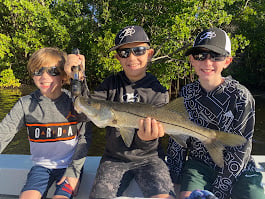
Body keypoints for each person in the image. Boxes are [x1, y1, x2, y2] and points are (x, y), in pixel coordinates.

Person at [65, 25, 175, 199]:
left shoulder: (159, 91)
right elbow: (83, 111)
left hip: (150, 159)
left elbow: (151, 143)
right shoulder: (110, 84)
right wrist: (78, 77)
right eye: (124, 53)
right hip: (113, 159)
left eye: (138, 51)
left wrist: (146, 139)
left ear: (150, 53)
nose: (131, 57)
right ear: (118, 57)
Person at [166, 27, 265, 199]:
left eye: (216, 56)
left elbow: (241, 150)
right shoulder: (186, 93)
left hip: (239, 169)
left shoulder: (241, 96)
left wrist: (219, 190)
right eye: (200, 56)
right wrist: (174, 179)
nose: (207, 62)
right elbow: (177, 141)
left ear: (227, 61)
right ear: (192, 60)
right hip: (198, 166)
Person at [0, 47, 91, 199]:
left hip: (69, 166)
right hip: (41, 167)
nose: (44, 76)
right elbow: (4, 132)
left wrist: (74, 171)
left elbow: (85, 137)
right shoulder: (25, 103)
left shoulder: (74, 102)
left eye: (53, 71)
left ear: (64, 76)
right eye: (38, 71)